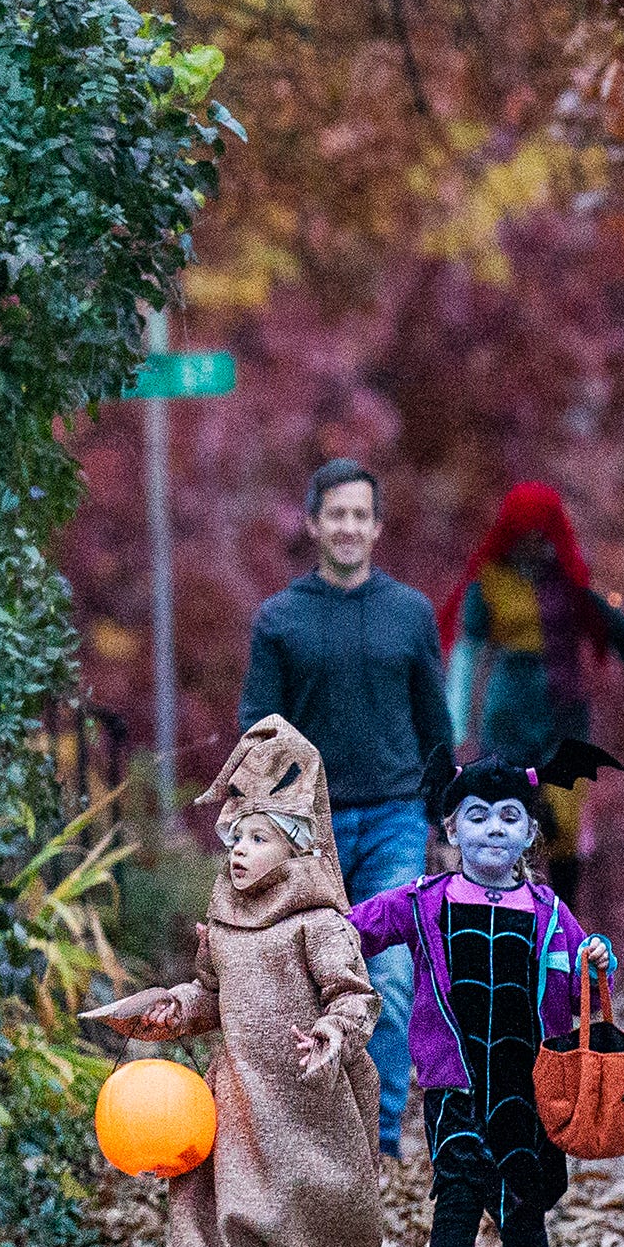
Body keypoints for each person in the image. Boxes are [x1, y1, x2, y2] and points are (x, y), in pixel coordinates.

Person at [83, 718, 387, 1247]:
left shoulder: (318, 924)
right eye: (236, 838)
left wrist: (334, 1031)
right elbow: (209, 994)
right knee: (220, 1207)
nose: (240, 852)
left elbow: (356, 997)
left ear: (298, 849)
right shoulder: (223, 924)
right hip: (239, 1097)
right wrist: (174, 1007)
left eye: (259, 838)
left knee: (309, 1211)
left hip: (309, 1103)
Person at [350, 744, 619, 1247]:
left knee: (523, 1201)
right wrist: (301, 937)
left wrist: (597, 960)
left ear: (529, 831)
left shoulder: (552, 914)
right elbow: (353, 929)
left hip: (531, 1083)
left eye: (506, 816)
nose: (491, 828)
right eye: (475, 816)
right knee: (459, 1192)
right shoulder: (423, 903)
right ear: (449, 830)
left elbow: (587, 979)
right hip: (456, 1082)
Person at [238, 458, 452, 1158]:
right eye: (337, 514)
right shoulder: (280, 620)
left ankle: (380, 1139)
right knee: (308, 978)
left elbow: (434, 727)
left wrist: (446, 820)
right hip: (305, 827)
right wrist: (253, 827)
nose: (350, 526)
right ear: (313, 523)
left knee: (386, 974)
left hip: (394, 816)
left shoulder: (410, 615)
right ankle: (312, 1134)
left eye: (362, 515)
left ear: (378, 526)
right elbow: (257, 735)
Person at [440, 483, 624, 909]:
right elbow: (467, 651)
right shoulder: (490, 578)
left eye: (541, 531)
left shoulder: (569, 578)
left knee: (564, 825)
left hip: (564, 713)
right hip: (508, 713)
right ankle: (500, 910)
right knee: (504, 816)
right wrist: (454, 723)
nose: (532, 542)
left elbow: (605, 618)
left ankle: (564, 927)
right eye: (524, 531)